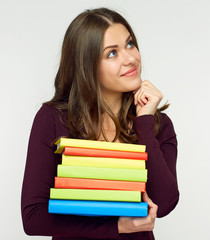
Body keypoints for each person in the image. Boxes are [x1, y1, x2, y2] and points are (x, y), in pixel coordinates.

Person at [21, 7, 179, 240]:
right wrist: (115, 226)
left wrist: (144, 122)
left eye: (130, 44)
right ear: (87, 66)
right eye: (112, 54)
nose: (130, 58)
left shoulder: (157, 124)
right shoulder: (53, 119)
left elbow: (164, 204)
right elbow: (33, 218)